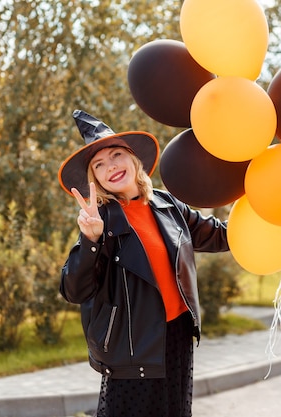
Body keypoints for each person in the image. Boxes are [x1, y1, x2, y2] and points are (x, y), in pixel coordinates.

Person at [58, 110, 229, 417]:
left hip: (176, 337)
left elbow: (216, 235)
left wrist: (261, 218)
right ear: (93, 179)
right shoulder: (102, 221)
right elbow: (74, 289)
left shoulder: (167, 205)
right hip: (132, 347)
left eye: (116, 155)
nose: (110, 166)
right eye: (99, 164)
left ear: (133, 159)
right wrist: (91, 241)